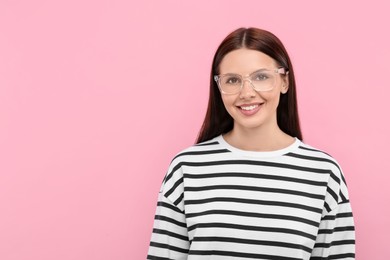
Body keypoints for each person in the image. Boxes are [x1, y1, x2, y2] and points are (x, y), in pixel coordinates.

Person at [147, 27, 355, 260]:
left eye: (261, 76)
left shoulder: (323, 172)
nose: (246, 92)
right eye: (233, 80)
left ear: (284, 81)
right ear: (219, 87)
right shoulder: (187, 168)